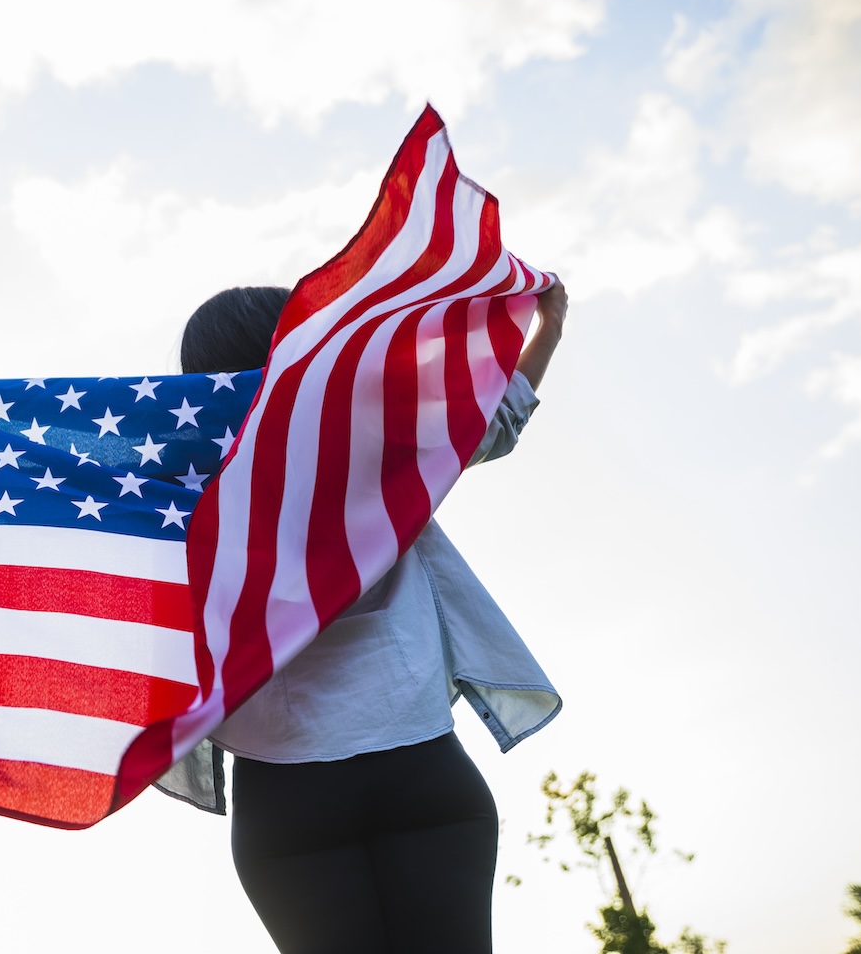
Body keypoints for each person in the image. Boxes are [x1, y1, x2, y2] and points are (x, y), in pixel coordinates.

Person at [173, 280, 569, 954]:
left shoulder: (179, 494)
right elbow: (493, 420)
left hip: (286, 797)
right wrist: (548, 327)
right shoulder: (379, 441)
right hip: (419, 767)